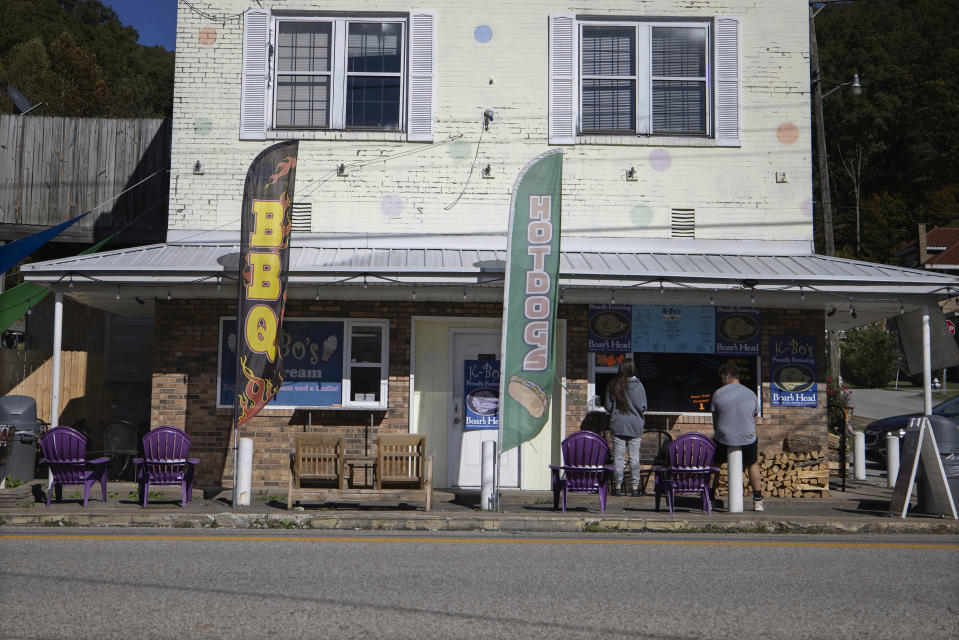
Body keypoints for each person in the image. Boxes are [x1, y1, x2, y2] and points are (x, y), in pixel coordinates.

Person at [710, 361, 764, 511]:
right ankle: (758, 499)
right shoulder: (751, 394)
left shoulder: (718, 393)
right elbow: (754, 420)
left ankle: (710, 498)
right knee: (752, 463)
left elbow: (715, 421)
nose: (721, 381)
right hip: (747, 437)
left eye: (722, 378)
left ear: (727, 375)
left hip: (723, 438)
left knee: (715, 464)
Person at [604, 358, 648, 497]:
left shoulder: (613, 384)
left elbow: (609, 406)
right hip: (635, 426)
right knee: (634, 458)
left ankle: (617, 487)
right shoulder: (639, 385)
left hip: (618, 425)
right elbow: (643, 407)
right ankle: (634, 488)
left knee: (618, 458)